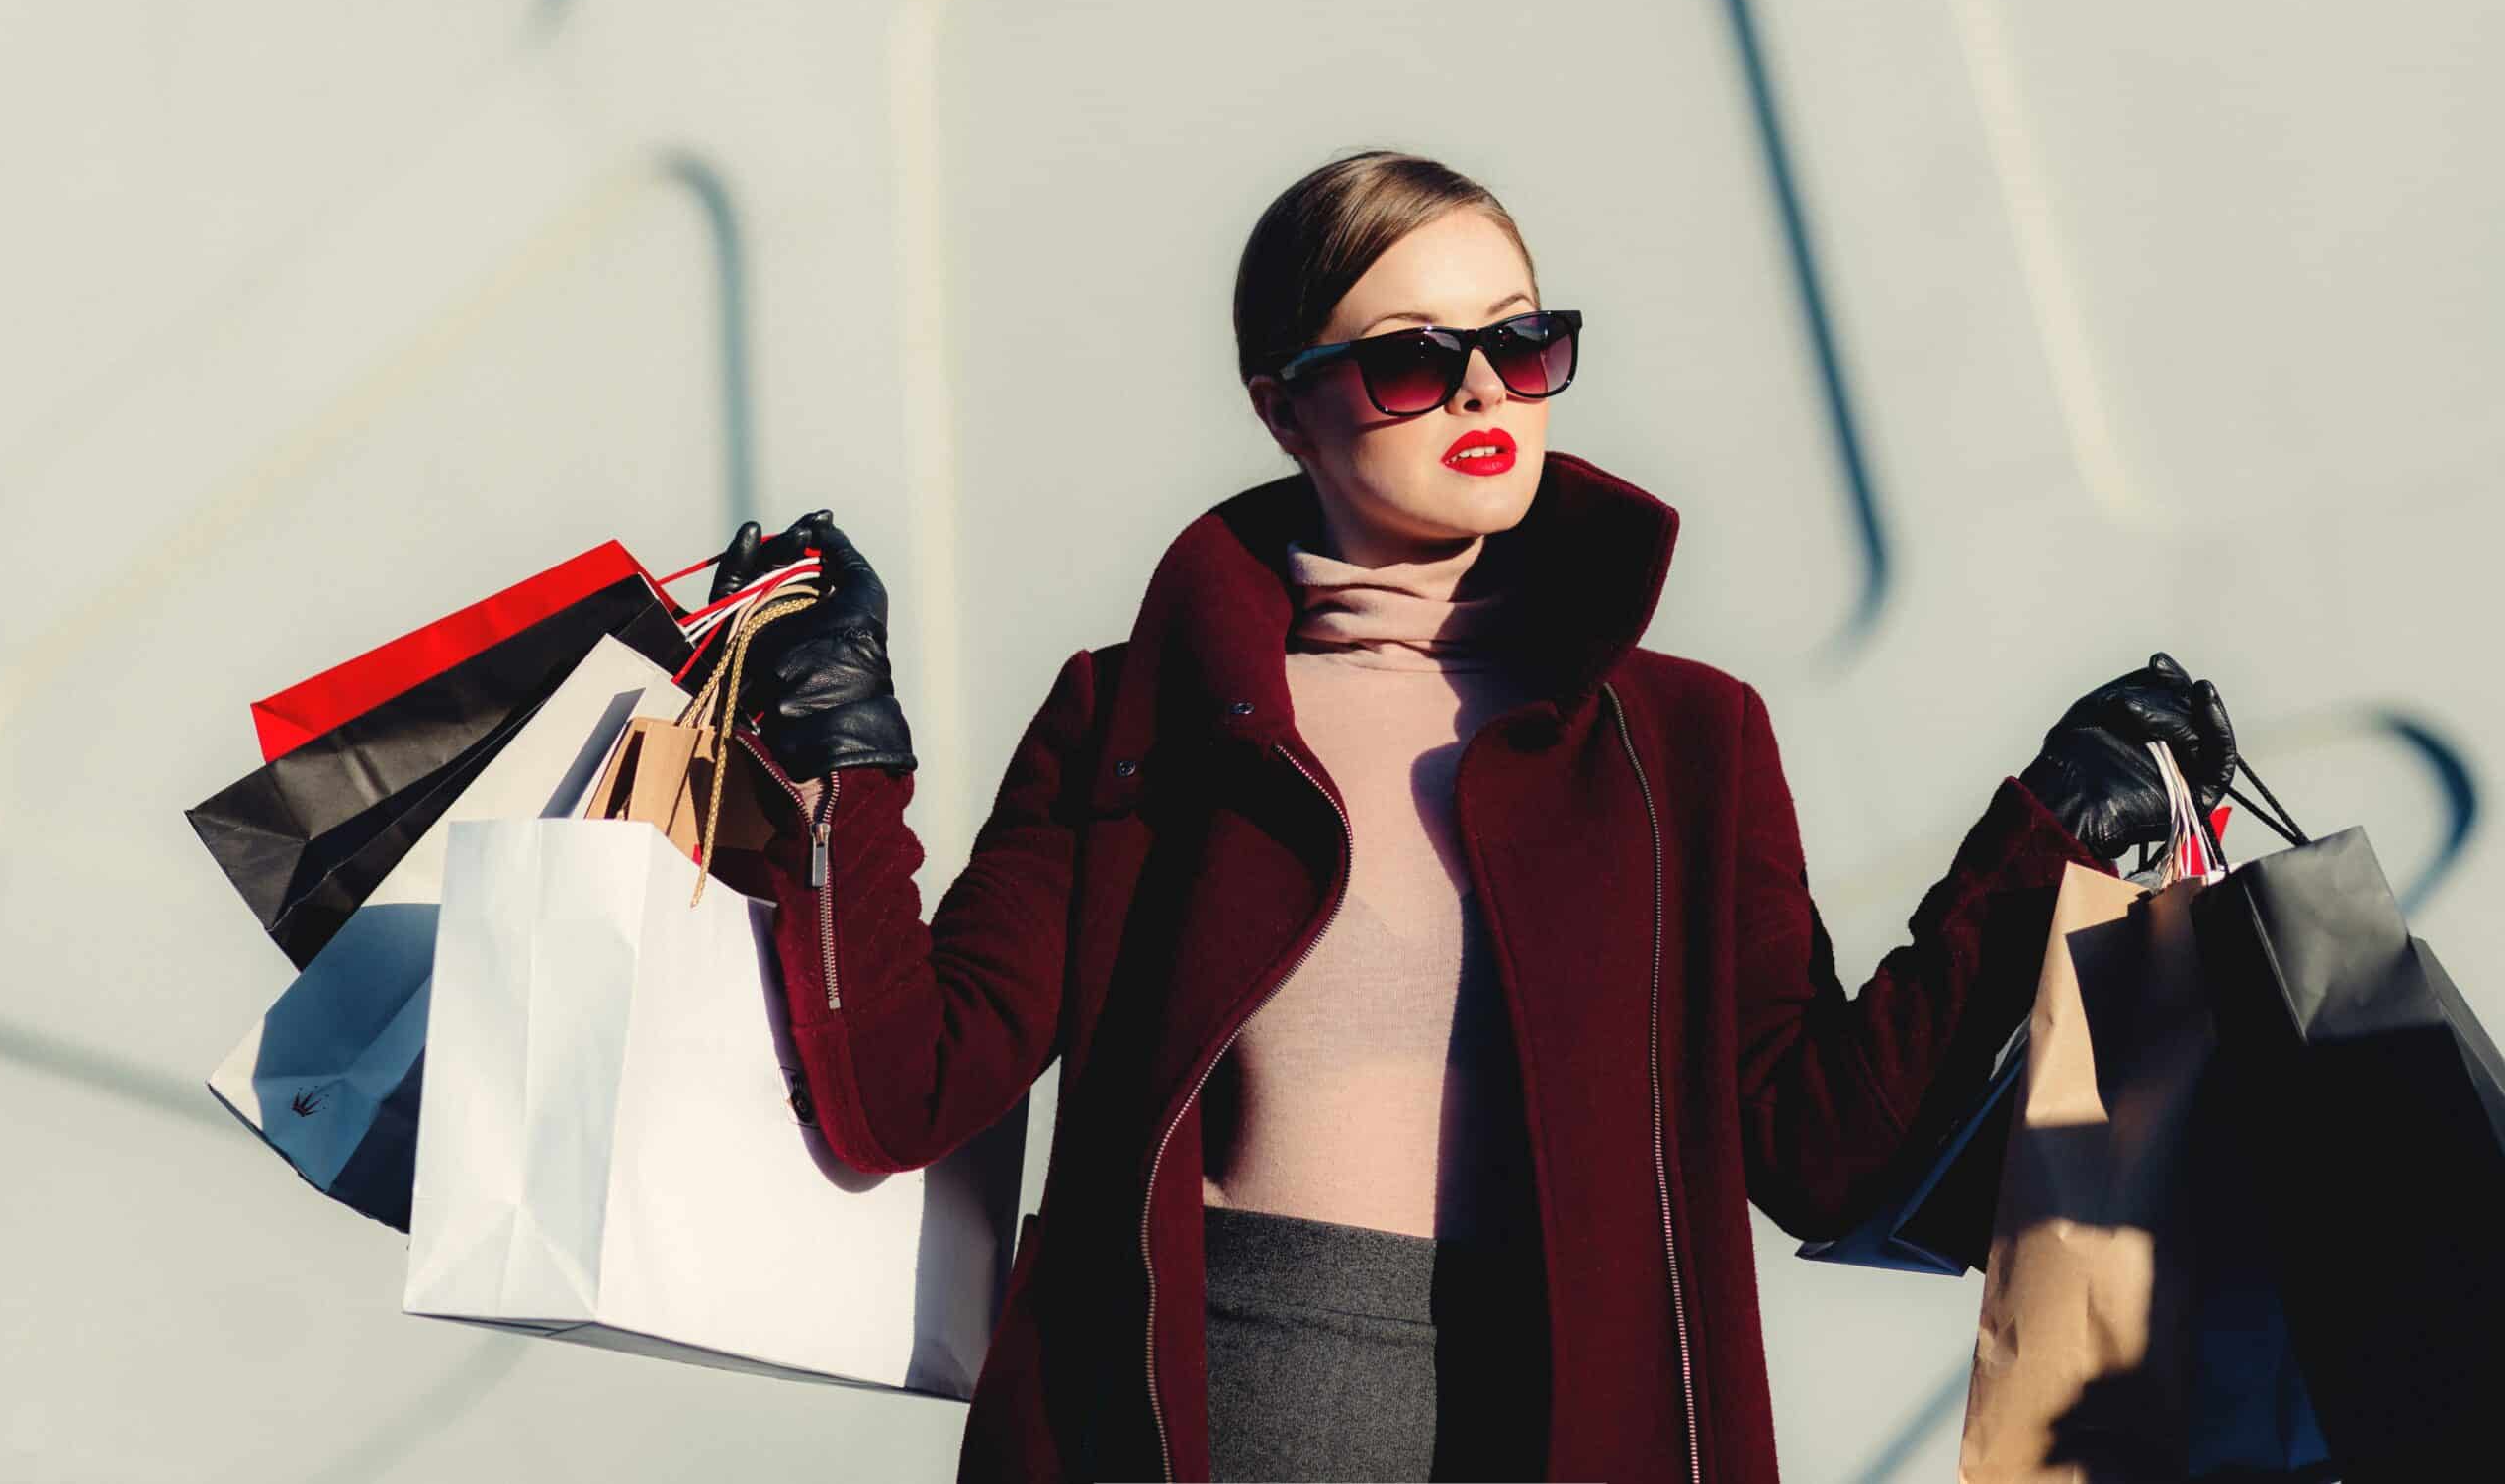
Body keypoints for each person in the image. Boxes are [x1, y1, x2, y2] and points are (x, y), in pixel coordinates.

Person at [704, 150, 2238, 1483]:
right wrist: (845, 752)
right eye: (1411, 361)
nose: (1490, 391)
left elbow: (1819, 1148)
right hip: (1221, 1419)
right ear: (1283, 407)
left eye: (1524, 339)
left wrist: (2047, 835)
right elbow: (903, 1087)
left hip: (1580, 1419)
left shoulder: (1684, 739)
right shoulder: (1139, 716)